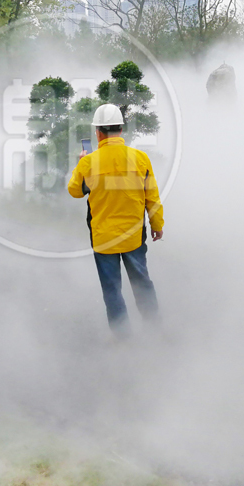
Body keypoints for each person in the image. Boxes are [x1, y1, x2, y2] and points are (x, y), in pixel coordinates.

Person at [67, 103, 165, 334]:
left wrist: (81, 162)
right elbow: (152, 196)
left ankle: (123, 340)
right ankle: (155, 329)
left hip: (104, 239)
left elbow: (75, 191)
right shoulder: (140, 158)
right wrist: (157, 225)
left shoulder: (89, 162)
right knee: (142, 282)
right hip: (134, 236)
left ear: (98, 132)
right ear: (120, 130)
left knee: (112, 289)